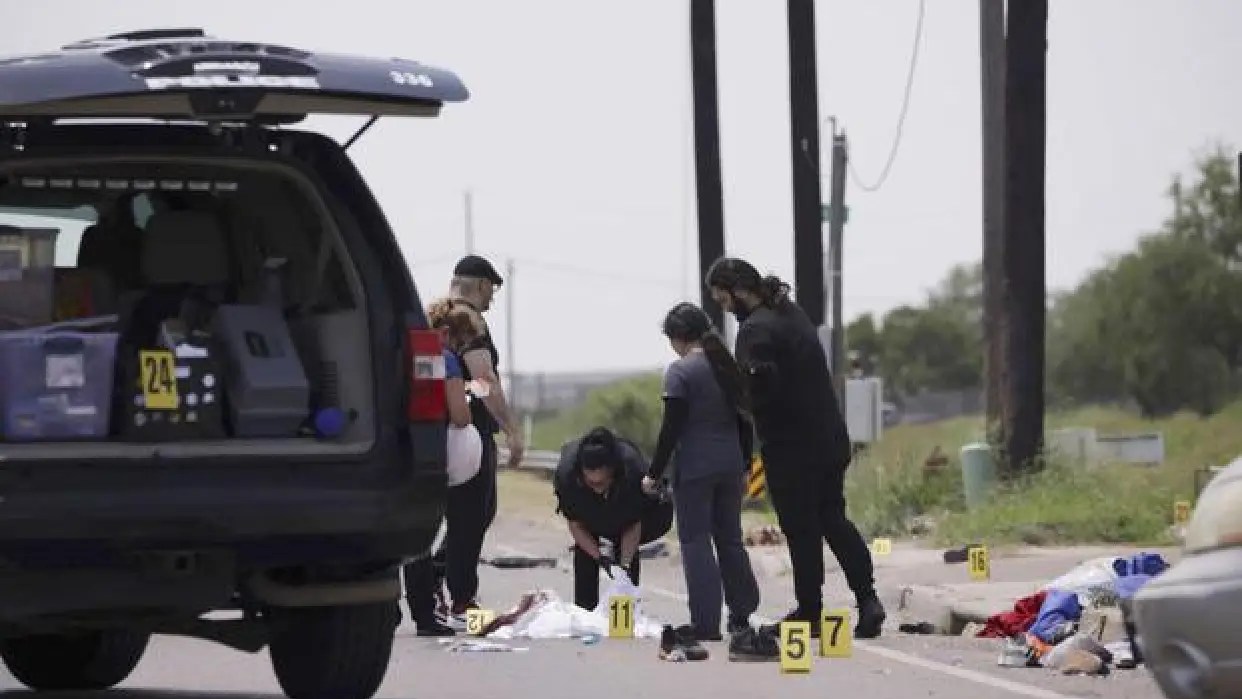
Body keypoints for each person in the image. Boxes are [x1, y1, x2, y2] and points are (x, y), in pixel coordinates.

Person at [705, 257, 887, 640]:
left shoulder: (755, 331)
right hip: (830, 438)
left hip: (791, 447)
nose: (727, 310)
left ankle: (810, 611)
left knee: (802, 530)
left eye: (724, 301)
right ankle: (868, 600)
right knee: (834, 519)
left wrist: (736, 387)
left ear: (738, 291)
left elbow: (760, 391)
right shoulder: (788, 311)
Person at [640, 302, 778, 662]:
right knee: (730, 539)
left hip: (696, 469)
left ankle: (705, 622)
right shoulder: (727, 366)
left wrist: (654, 474)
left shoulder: (680, 372)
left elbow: (671, 429)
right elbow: (744, 421)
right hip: (731, 465)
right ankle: (742, 613)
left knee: (695, 541)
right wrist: (746, 462)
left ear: (676, 338)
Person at [435, 254, 525, 627]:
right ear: (482, 285)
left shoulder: (435, 317)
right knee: (473, 516)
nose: (491, 300)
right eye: (491, 292)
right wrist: (510, 428)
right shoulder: (469, 323)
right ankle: (461, 600)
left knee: (459, 517)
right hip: (468, 434)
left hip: (435, 430)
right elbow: (483, 377)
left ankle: (435, 582)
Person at [403, 298, 485, 636]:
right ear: (448, 333)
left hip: (395, 448)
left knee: (402, 533)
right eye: (461, 343)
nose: (460, 350)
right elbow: (461, 416)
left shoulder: (404, 349)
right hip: (428, 450)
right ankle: (425, 614)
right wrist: (466, 393)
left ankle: (391, 610)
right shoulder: (445, 358)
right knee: (422, 535)